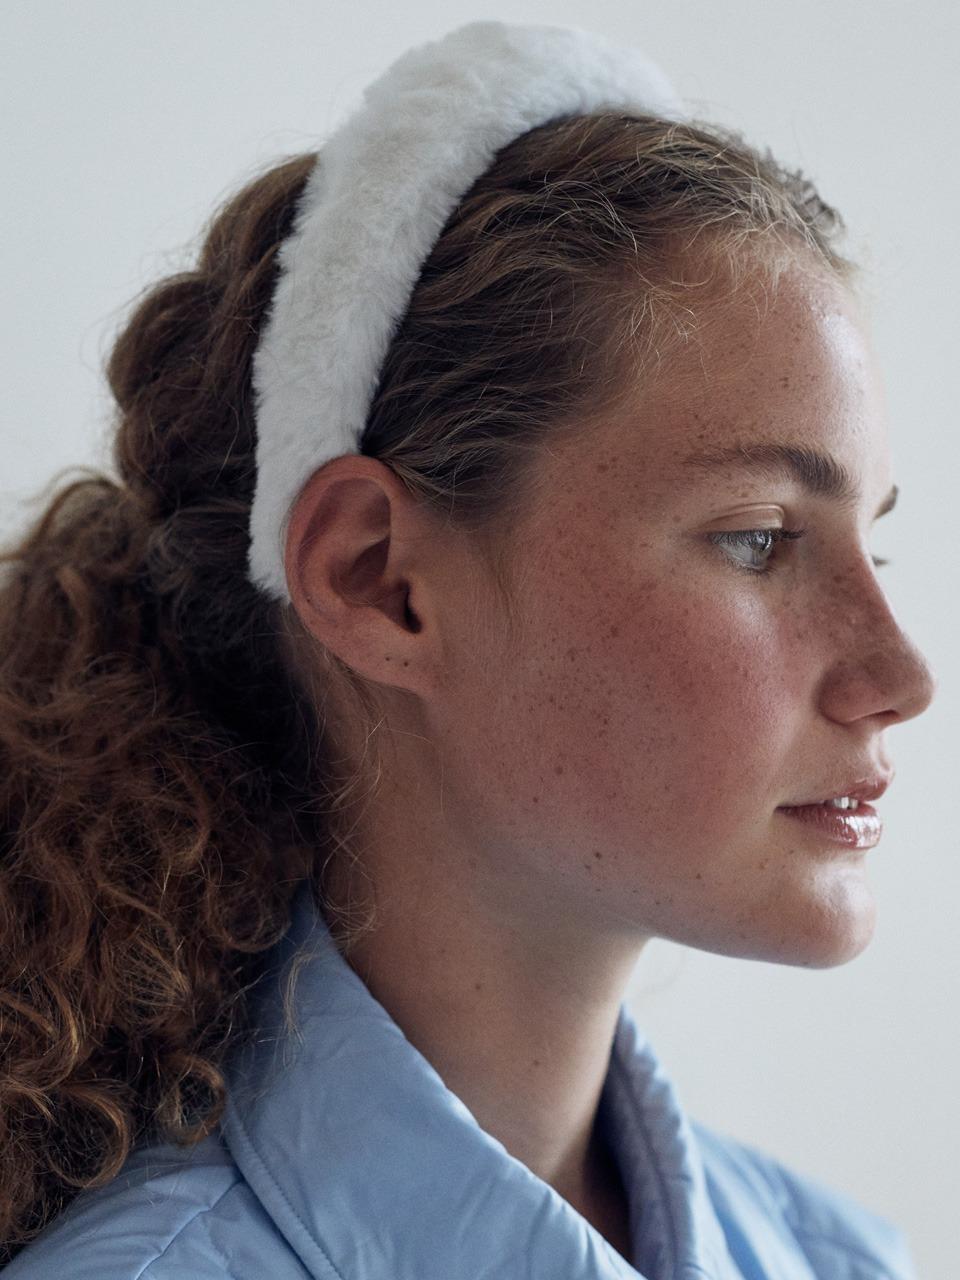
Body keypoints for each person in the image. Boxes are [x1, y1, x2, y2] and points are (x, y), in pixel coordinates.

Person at [0, 19, 935, 1279]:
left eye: (874, 542)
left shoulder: (840, 1260)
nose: (901, 674)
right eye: (761, 539)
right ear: (379, 581)